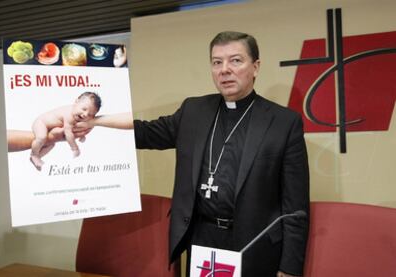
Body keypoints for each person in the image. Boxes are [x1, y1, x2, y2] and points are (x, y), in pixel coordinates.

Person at [79, 31, 309, 276]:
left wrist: (290, 268)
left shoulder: (284, 122)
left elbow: (295, 205)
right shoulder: (194, 111)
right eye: (217, 62)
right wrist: (95, 122)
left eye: (236, 60)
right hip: (202, 239)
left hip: (254, 244)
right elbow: (146, 133)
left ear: (255, 66)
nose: (224, 69)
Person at [29, 92, 101, 170]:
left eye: (90, 115)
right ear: (76, 101)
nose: (85, 114)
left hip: (49, 129)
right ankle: (34, 155)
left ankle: (38, 157)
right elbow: (68, 133)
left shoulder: (77, 115)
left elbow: (78, 127)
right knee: (41, 137)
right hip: (41, 123)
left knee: (51, 144)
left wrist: (82, 135)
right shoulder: (69, 115)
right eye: (84, 109)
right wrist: (75, 148)